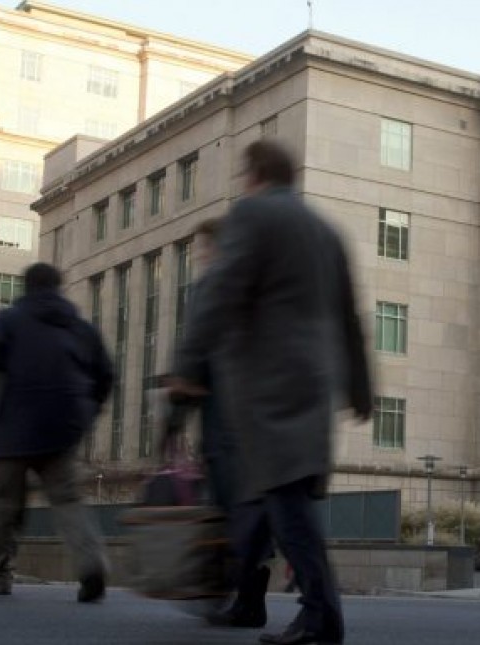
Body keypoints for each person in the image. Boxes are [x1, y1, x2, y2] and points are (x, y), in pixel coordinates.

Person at [171, 140, 372, 645]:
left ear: (255, 174)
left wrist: (187, 365)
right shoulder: (327, 230)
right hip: (316, 381)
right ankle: (245, 598)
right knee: (271, 494)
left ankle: (321, 614)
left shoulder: (253, 214)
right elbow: (351, 317)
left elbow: (221, 290)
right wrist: (360, 387)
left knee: (284, 497)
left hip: (270, 380)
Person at [0, 263, 113, 602]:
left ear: (26, 287)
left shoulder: (8, 321)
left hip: (13, 426)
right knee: (68, 500)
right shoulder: (80, 328)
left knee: (4, 503)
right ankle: (91, 566)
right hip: (63, 428)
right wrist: (88, 411)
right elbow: (105, 374)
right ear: (59, 288)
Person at [164, 217, 273, 628]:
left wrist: (175, 415)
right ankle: (249, 594)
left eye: (203, 249)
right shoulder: (263, 288)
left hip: (225, 414)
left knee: (231, 503)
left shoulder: (214, 285)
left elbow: (195, 348)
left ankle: (237, 593)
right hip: (265, 416)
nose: (201, 257)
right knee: (258, 506)